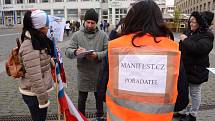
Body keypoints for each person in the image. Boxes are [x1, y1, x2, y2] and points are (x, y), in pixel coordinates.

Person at [106, 0, 181, 121]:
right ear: (159, 20)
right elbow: (182, 101)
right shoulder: (172, 49)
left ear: (131, 19)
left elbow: (101, 88)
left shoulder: (115, 47)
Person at [65, 9, 108, 120]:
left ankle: (99, 116)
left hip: (98, 73)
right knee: (82, 98)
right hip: (83, 73)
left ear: (96, 23)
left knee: (98, 97)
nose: (89, 25)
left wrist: (97, 55)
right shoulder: (77, 35)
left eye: (92, 23)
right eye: (87, 22)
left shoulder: (103, 35)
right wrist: (75, 52)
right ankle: (81, 117)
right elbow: (68, 51)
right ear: (84, 21)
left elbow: (109, 51)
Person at [18, 10, 54, 121]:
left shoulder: (37, 40)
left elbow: (40, 61)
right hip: (34, 94)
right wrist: (43, 99)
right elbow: (35, 76)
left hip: (36, 92)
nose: (48, 27)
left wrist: (51, 61)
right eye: (46, 25)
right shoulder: (30, 45)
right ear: (40, 27)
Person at [179, 11, 214, 121]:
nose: (191, 24)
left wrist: (185, 39)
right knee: (183, 92)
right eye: (190, 21)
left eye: (194, 22)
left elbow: (199, 49)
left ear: (199, 22)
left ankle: (193, 115)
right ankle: (183, 111)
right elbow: (181, 48)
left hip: (197, 70)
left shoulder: (207, 35)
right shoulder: (188, 32)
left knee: (194, 93)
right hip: (185, 68)